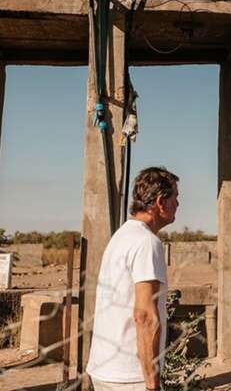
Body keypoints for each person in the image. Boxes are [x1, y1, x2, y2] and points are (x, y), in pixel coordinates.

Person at [86, 167, 179, 391]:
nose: (178, 204)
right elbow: (145, 316)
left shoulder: (122, 235)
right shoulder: (147, 242)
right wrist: (151, 383)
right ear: (160, 202)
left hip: (106, 370)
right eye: (175, 197)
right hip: (130, 376)